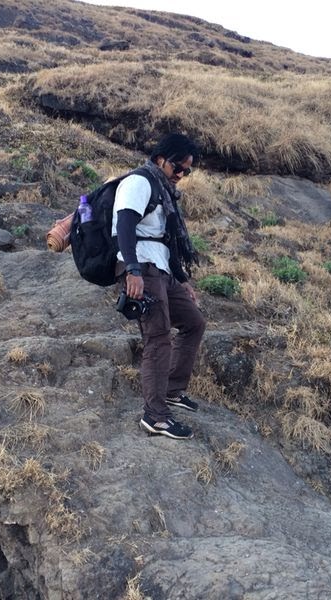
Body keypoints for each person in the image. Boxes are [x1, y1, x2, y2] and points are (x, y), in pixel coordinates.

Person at [112, 133, 206, 440]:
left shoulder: (164, 190)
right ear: (160, 159)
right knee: (157, 337)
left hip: (161, 268)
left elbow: (166, 239)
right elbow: (125, 225)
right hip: (142, 266)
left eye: (187, 171)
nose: (181, 174)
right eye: (178, 167)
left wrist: (182, 280)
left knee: (194, 322)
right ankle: (155, 417)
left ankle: (172, 390)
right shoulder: (139, 182)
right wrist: (132, 270)